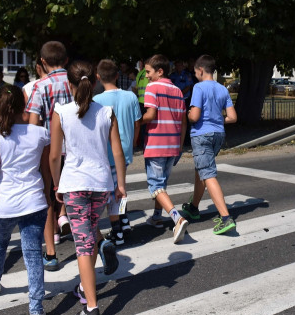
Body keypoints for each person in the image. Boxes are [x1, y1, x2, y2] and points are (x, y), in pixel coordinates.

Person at [49, 60, 127, 315]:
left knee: (83, 244)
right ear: (94, 81)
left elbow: (54, 156)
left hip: (73, 184)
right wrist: (121, 184)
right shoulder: (107, 112)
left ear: (69, 84)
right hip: (101, 183)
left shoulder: (61, 112)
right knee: (90, 237)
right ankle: (85, 289)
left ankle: (92, 308)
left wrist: (57, 184)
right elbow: (117, 151)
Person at [0, 85, 50, 315]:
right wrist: (47, 195)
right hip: (34, 201)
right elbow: (46, 170)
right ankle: (36, 308)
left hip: (4, 204)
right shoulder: (40, 133)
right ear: (23, 106)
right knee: (33, 255)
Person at [25, 41, 72, 271]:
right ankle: (93, 242)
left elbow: (33, 125)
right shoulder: (76, 83)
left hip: (48, 150)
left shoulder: (40, 87)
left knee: (47, 197)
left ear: (42, 62)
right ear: (65, 60)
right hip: (74, 149)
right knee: (74, 195)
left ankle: (51, 253)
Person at [180, 55, 238, 234]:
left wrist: (188, 114)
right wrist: (216, 118)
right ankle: (193, 207)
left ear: (200, 70)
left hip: (202, 135)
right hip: (218, 134)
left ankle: (225, 217)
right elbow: (232, 117)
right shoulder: (223, 89)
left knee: (208, 174)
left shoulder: (198, 87)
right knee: (202, 171)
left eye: (195, 72)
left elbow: (195, 116)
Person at [140, 54, 189, 243]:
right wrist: (179, 145)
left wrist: (137, 121)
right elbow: (183, 122)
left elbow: (150, 114)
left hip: (156, 144)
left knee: (156, 185)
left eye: (148, 72)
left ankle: (177, 218)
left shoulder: (153, 87)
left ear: (160, 71)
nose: (146, 76)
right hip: (173, 144)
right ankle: (157, 216)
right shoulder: (177, 91)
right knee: (162, 184)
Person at [93, 59, 141, 245]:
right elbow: (137, 123)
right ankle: (124, 221)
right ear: (117, 75)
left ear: (98, 77)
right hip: (126, 149)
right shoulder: (131, 97)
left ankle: (117, 232)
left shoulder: (97, 101)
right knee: (120, 187)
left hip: (107, 152)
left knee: (112, 194)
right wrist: (134, 142)